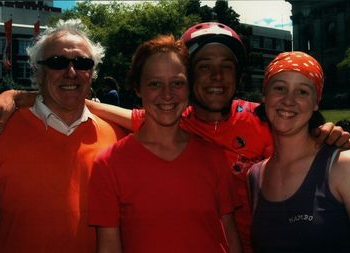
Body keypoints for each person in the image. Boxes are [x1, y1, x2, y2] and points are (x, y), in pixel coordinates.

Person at [0, 22, 350, 253]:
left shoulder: (263, 119)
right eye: (57, 63)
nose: (216, 78)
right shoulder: (155, 128)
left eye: (82, 63)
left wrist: (324, 133)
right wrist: (19, 97)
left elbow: (295, 128)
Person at [0, 19, 125, 253]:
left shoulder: (116, 137)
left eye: (83, 63)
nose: (71, 72)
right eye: (57, 62)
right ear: (38, 72)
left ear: (92, 73)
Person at [89, 34, 242, 253]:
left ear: (189, 87)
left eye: (177, 83)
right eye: (155, 84)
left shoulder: (214, 156)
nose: (167, 94)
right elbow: (109, 246)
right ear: (138, 88)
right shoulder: (108, 164)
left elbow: (230, 236)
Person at [248, 51, 350, 253]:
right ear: (264, 95)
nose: (288, 100)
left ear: (315, 103)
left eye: (302, 92)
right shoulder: (255, 175)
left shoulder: (346, 166)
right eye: (279, 88)